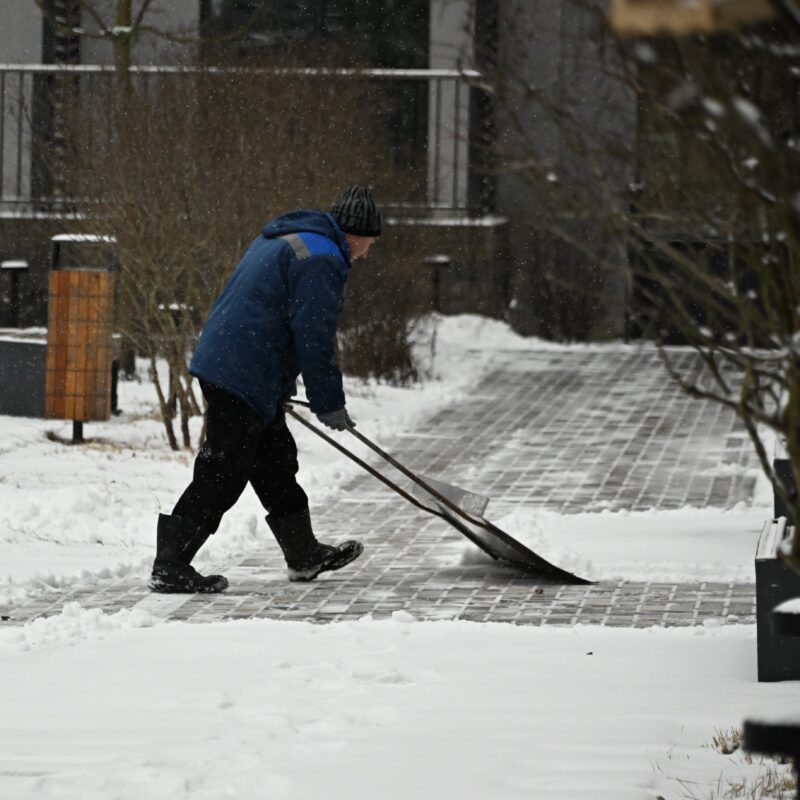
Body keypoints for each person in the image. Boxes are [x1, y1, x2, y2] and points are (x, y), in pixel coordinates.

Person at [149, 185, 382, 593]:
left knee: (274, 460)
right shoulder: (323, 257)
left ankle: (304, 554)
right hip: (241, 371)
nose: (366, 255)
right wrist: (329, 402)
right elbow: (313, 335)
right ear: (356, 237)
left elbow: (270, 313)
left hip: (236, 363)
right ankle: (170, 564)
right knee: (223, 468)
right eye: (369, 245)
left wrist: (278, 383)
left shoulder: (295, 238)